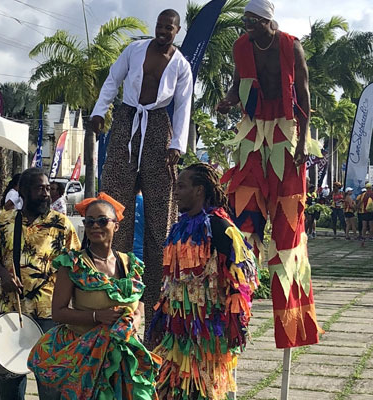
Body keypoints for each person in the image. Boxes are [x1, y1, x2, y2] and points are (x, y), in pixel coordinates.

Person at [216, 0, 322, 348]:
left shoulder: (291, 46)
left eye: (252, 20)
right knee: (244, 214)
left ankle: (294, 325)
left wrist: (303, 141)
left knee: (288, 219)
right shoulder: (242, 46)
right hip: (252, 129)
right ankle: (236, 309)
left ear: (268, 21)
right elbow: (237, 84)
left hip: (285, 130)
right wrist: (229, 100)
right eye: (244, 20)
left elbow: (303, 95)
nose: (246, 25)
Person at [90, 8, 193, 331]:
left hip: (158, 126)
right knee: (113, 201)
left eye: (169, 28)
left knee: (160, 212)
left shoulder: (181, 65)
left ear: (177, 31)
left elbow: (184, 105)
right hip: (127, 119)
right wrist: (99, 111)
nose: (163, 31)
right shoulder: (135, 50)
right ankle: (110, 284)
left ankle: (156, 303)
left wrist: (177, 143)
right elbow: (112, 80)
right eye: (160, 26)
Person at [28, 193, 161, 399]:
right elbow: (58, 313)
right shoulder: (73, 264)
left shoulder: (130, 263)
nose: (95, 226)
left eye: (102, 221)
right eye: (89, 222)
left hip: (123, 356)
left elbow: (139, 301)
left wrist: (137, 317)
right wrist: (97, 316)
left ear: (116, 226)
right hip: (87, 358)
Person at [149, 163, 260, 400]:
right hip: (178, 332)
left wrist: (235, 322)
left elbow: (241, 278)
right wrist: (162, 316)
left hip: (207, 336)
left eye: (181, 186)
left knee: (200, 391)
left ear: (199, 190)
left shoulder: (220, 227)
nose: (176, 193)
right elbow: (172, 280)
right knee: (170, 389)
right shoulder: (179, 228)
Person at [0, 167, 81, 400]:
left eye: (48, 188)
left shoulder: (62, 224)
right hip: (12, 310)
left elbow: (75, 264)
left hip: (50, 312)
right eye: (39, 188)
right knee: (10, 381)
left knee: (51, 384)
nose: (46, 193)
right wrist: (3, 275)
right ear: (23, 191)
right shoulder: (5, 221)